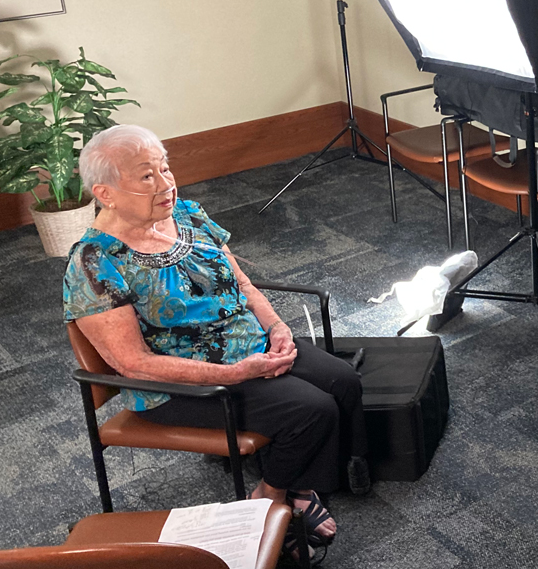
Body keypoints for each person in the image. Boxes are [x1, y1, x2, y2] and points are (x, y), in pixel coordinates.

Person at [62, 124, 370, 554]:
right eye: (146, 176)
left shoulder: (187, 215)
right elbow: (133, 364)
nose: (166, 182)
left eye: (165, 168)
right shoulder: (95, 263)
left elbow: (242, 284)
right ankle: (269, 495)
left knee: (343, 381)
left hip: (248, 346)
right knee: (311, 409)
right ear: (106, 193)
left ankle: (302, 483)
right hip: (181, 384)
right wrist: (234, 372)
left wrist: (278, 328)